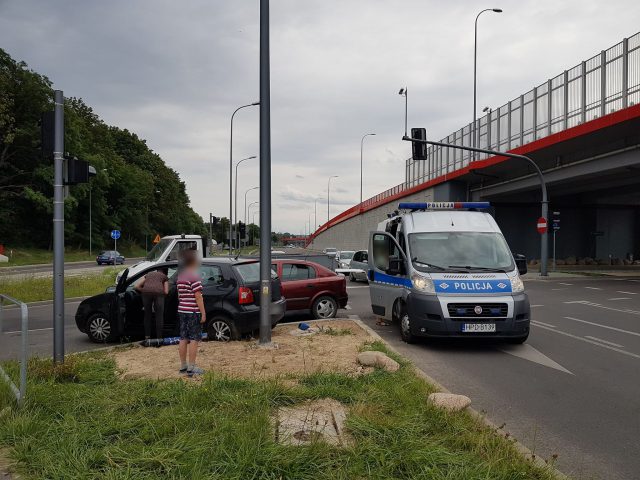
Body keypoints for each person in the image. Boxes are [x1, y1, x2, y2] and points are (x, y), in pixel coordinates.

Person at [176, 250, 206, 376]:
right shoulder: (194, 276)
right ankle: (192, 368)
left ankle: (183, 366)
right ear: (194, 261)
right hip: (193, 311)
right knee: (194, 339)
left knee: (183, 338)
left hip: (182, 310)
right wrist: (203, 313)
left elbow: (179, 295)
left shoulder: (180, 276)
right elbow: (198, 296)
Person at [135, 267, 169, 345]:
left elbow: (136, 286)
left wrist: (145, 290)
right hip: (159, 294)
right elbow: (166, 292)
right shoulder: (164, 277)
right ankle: (159, 339)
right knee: (159, 316)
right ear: (165, 272)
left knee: (147, 315)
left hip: (146, 293)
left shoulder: (149, 274)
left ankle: (147, 337)